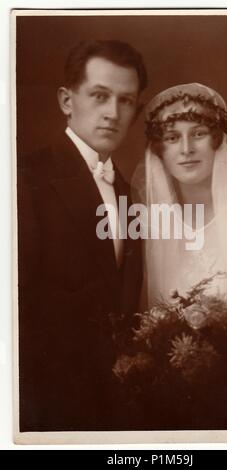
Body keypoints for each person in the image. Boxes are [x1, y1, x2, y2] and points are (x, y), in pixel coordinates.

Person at [133, 83, 227, 428]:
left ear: (219, 141)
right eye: (172, 137)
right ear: (159, 150)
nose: (186, 149)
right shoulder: (152, 228)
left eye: (198, 133)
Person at [17, 40, 147, 431]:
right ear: (66, 100)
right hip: (40, 409)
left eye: (126, 101)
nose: (112, 113)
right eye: (100, 96)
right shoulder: (24, 177)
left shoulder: (129, 193)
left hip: (109, 406)